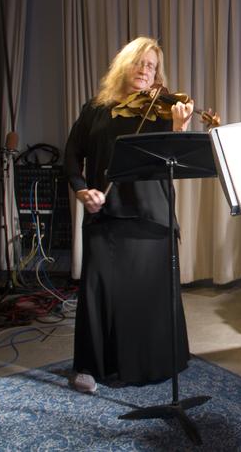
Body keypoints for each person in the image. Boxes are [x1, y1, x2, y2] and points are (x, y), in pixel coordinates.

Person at [64, 37, 194, 394]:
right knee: (97, 291)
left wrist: (178, 130)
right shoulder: (96, 109)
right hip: (105, 212)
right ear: (124, 65)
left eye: (151, 66)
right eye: (139, 62)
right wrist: (80, 190)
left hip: (153, 214)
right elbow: (72, 155)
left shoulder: (163, 111)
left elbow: (175, 163)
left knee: (149, 294)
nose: (145, 70)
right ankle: (90, 365)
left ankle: (153, 361)